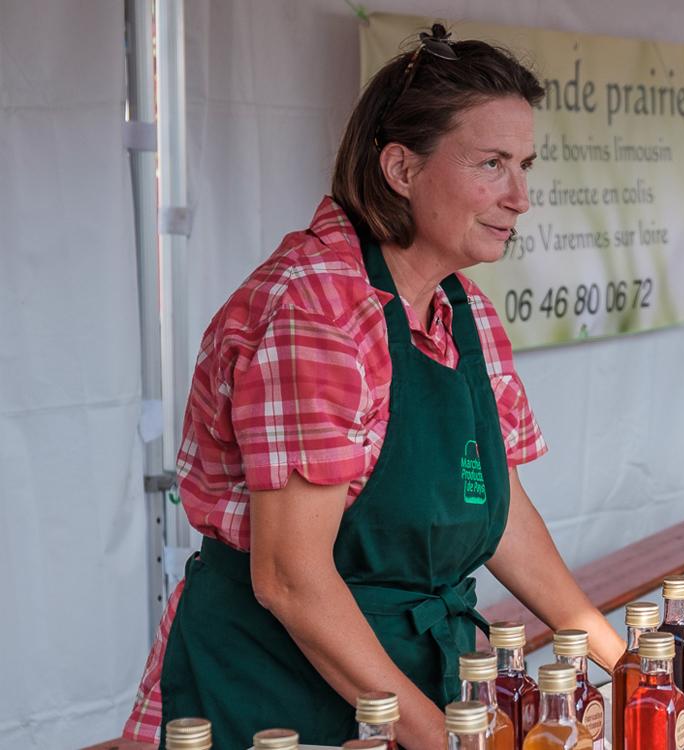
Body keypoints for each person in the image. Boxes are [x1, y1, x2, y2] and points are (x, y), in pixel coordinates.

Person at [121, 28, 627, 750]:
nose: (520, 197)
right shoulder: (317, 309)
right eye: (491, 164)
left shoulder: (464, 309)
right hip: (276, 689)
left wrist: (625, 659)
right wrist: (438, 737)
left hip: (408, 678)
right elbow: (290, 578)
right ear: (400, 167)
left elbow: (496, 502)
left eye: (524, 166)